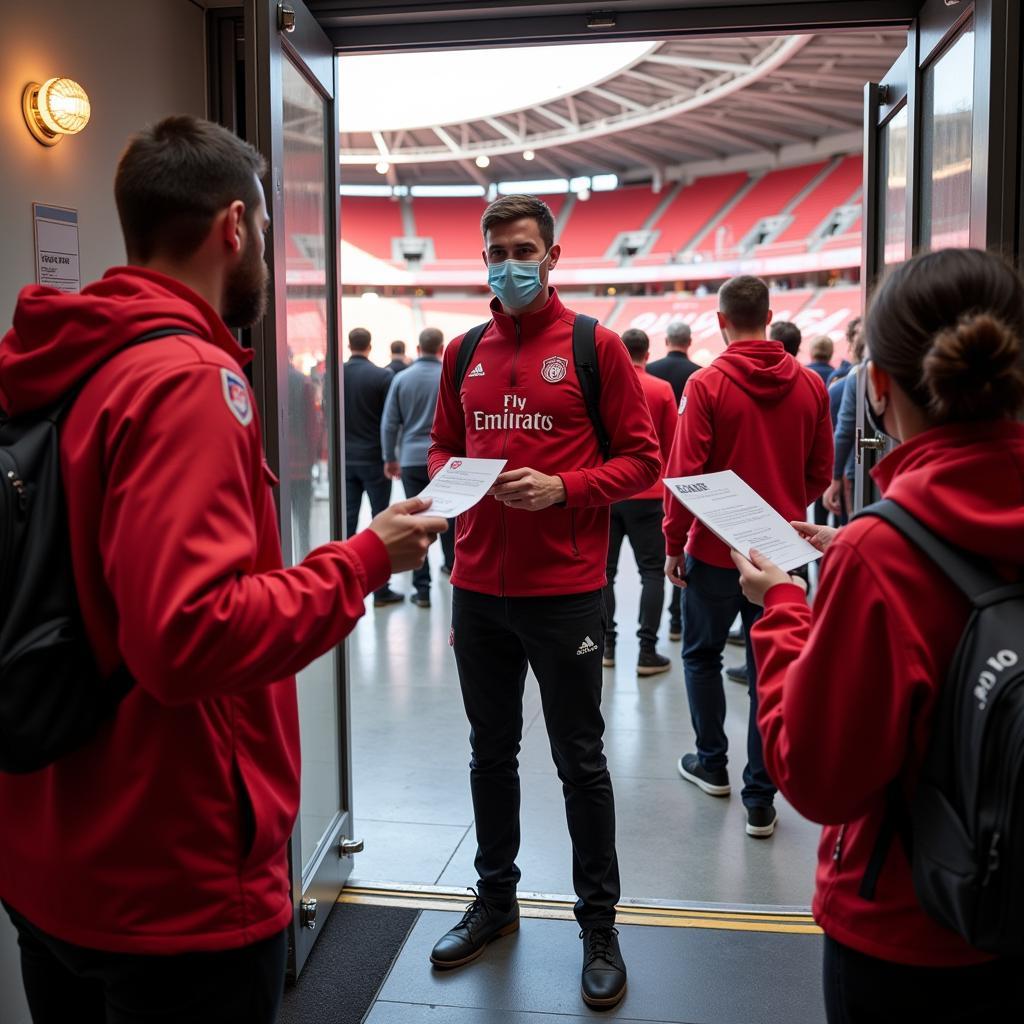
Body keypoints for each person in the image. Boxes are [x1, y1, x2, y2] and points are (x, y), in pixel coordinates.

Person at [0, 115, 446, 1024]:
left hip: (50, 844)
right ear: (234, 228)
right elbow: (185, 636)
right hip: (169, 874)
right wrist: (363, 559)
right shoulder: (189, 382)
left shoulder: (60, 362)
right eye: (269, 237)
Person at [733, 247, 1024, 1023]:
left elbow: (818, 778)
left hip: (910, 928)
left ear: (881, 386)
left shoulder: (884, 552)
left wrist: (783, 608)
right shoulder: (881, 546)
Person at [428, 194, 660, 1009]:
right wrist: (449, 487)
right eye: (496, 252)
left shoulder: (595, 348)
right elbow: (443, 447)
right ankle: (496, 900)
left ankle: (599, 924)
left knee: (580, 760)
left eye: (523, 249)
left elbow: (642, 463)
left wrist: (563, 488)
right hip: (476, 591)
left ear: (553, 257)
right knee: (490, 754)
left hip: (565, 596)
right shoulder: (464, 354)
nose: (508, 265)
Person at [663, 275, 832, 839]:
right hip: (784, 553)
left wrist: (673, 542)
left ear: (720, 321)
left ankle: (712, 764)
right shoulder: (809, 384)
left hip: (716, 550)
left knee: (701, 656)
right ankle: (762, 797)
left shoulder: (708, 384)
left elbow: (686, 473)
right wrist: (782, 507)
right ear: (768, 314)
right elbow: (819, 473)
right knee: (771, 669)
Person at [602, 327, 678, 676]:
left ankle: (607, 646)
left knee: (605, 574)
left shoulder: (604, 384)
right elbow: (669, 445)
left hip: (609, 490)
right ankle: (647, 650)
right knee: (652, 573)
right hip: (649, 494)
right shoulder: (661, 389)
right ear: (648, 354)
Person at [381, 326, 455, 605]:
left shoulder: (402, 379)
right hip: (447, 460)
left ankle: (421, 589)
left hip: (412, 459)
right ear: (441, 349)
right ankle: (452, 566)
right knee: (452, 515)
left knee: (418, 519)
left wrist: (390, 457)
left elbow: (390, 423)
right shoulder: (450, 375)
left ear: (417, 350)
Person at [647, 319, 701, 641]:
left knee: (659, 557)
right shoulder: (699, 374)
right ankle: (677, 621)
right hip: (682, 469)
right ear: (689, 341)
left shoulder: (650, 371)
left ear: (666, 341)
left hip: (650, 473)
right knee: (681, 546)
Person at [345, 327, 404, 606]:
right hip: (374, 459)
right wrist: (390, 456)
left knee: (347, 520)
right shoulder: (383, 376)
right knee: (381, 521)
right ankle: (380, 590)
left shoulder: (336, 373)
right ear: (370, 346)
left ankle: (344, 581)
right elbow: (388, 422)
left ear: (349, 344)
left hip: (344, 458)